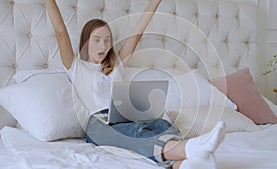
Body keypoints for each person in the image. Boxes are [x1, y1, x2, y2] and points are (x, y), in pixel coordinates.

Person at [45, 0, 226, 169]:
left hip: (126, 116)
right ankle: (188, 148)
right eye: (97, 39)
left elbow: (137, 33)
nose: (103, 45)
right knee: (136, 131)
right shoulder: (77, 67)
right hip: (98, 124)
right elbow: (60, 31)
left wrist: (156, 1)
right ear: (86, 41)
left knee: (161, 125)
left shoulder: (116, 65)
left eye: (107, 40)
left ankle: (186, 163)